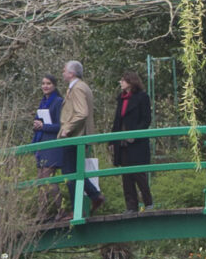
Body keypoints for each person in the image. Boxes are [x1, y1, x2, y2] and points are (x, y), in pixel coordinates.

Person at [57, 60, 104, 214]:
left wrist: (67, 129)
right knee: (74, 172)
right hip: (78, 135)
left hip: (75, 136)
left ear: (71, 73)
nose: (63, 73)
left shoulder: (77, 88)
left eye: (64, 70)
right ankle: (94, 196)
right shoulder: (80, 87)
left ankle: (78, 209)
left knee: (70, 173)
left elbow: (81, 112)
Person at [113, 72, 154, 213]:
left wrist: (135, 134)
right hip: (122, 142)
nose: (120, 82)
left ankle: (148, 203)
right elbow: (117, 120)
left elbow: (146, 119)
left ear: (131, 82)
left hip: (137, 142)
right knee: (126, 175)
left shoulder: (142, 97)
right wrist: (113, 139)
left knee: (138, 173)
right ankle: (131, 206)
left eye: (123, 80)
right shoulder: (121, 98)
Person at [29, 75, 66, 218]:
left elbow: (61, 126)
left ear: (55, 85)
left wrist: (44, 126)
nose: (45, 86)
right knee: (40, 178)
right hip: (42, 142)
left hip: (53, 143)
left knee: (48, 177)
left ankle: (61, 210)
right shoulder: (43, 102)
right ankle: (42, 213)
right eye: (43, 83)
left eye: (48, 83)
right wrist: (37, 125)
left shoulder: (58, 102)